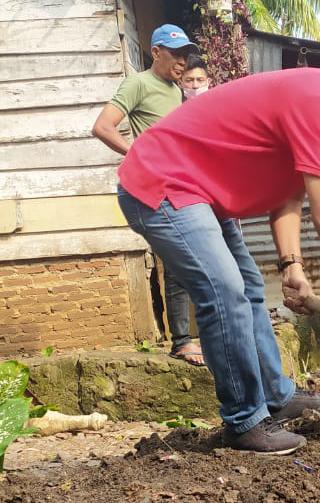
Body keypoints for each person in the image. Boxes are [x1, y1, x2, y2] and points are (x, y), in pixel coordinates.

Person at [116, 35, 320, 455]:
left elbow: (289, 195)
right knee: (225, 294)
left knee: (250, 291)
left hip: (204, 194)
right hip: (163, 183)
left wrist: (292, 267)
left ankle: (276, 396)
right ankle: (244, 421)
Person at [92, 24, 205, 366]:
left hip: (184, 185)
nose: (183, 61)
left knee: (196, 260)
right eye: (176, 54)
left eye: (186, 54)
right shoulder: (138, 83)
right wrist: (136, 153)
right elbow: (102, 126)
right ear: (156, 52)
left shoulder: (178, 90)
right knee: (174, 264)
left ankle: (198, 336)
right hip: (156, 189)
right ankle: (182, 341)